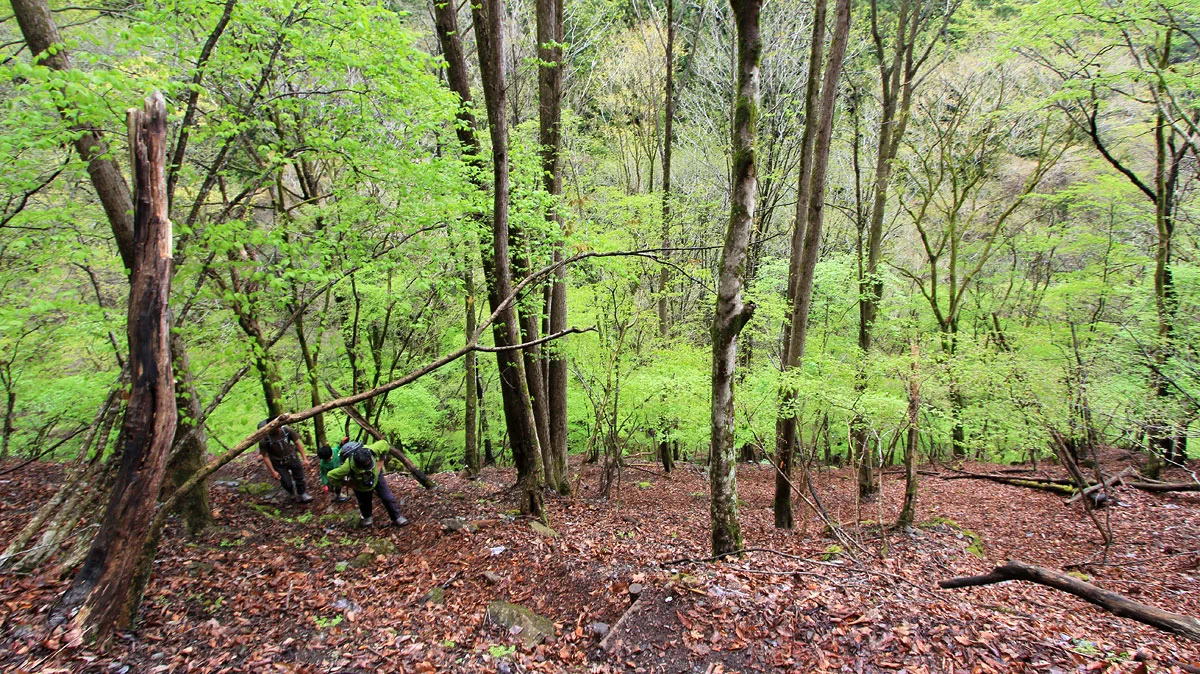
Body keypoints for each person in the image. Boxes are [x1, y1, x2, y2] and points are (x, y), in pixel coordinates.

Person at [326, 441, 408, 527]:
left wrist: (380, 462)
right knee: (364, 502)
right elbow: (331, 476)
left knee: (387, 497)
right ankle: (367, 518)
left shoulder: (373, 450)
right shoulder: (348, 466)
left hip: (376, 476)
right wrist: (347, 484)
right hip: (360, 486)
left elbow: (385, 444)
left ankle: (397, 517)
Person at [257, 418, 313, 503]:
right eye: (276, 427)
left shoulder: (286, 430)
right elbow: (265, 456)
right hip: (278, 463)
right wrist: (273, 472)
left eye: (279, 426)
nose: (278, 429)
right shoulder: (264, 438)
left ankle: (302, 493)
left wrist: (304, 458)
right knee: (286, 481)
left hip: (292, 457)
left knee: (300, 478)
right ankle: (291, 491)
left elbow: (297, 443)